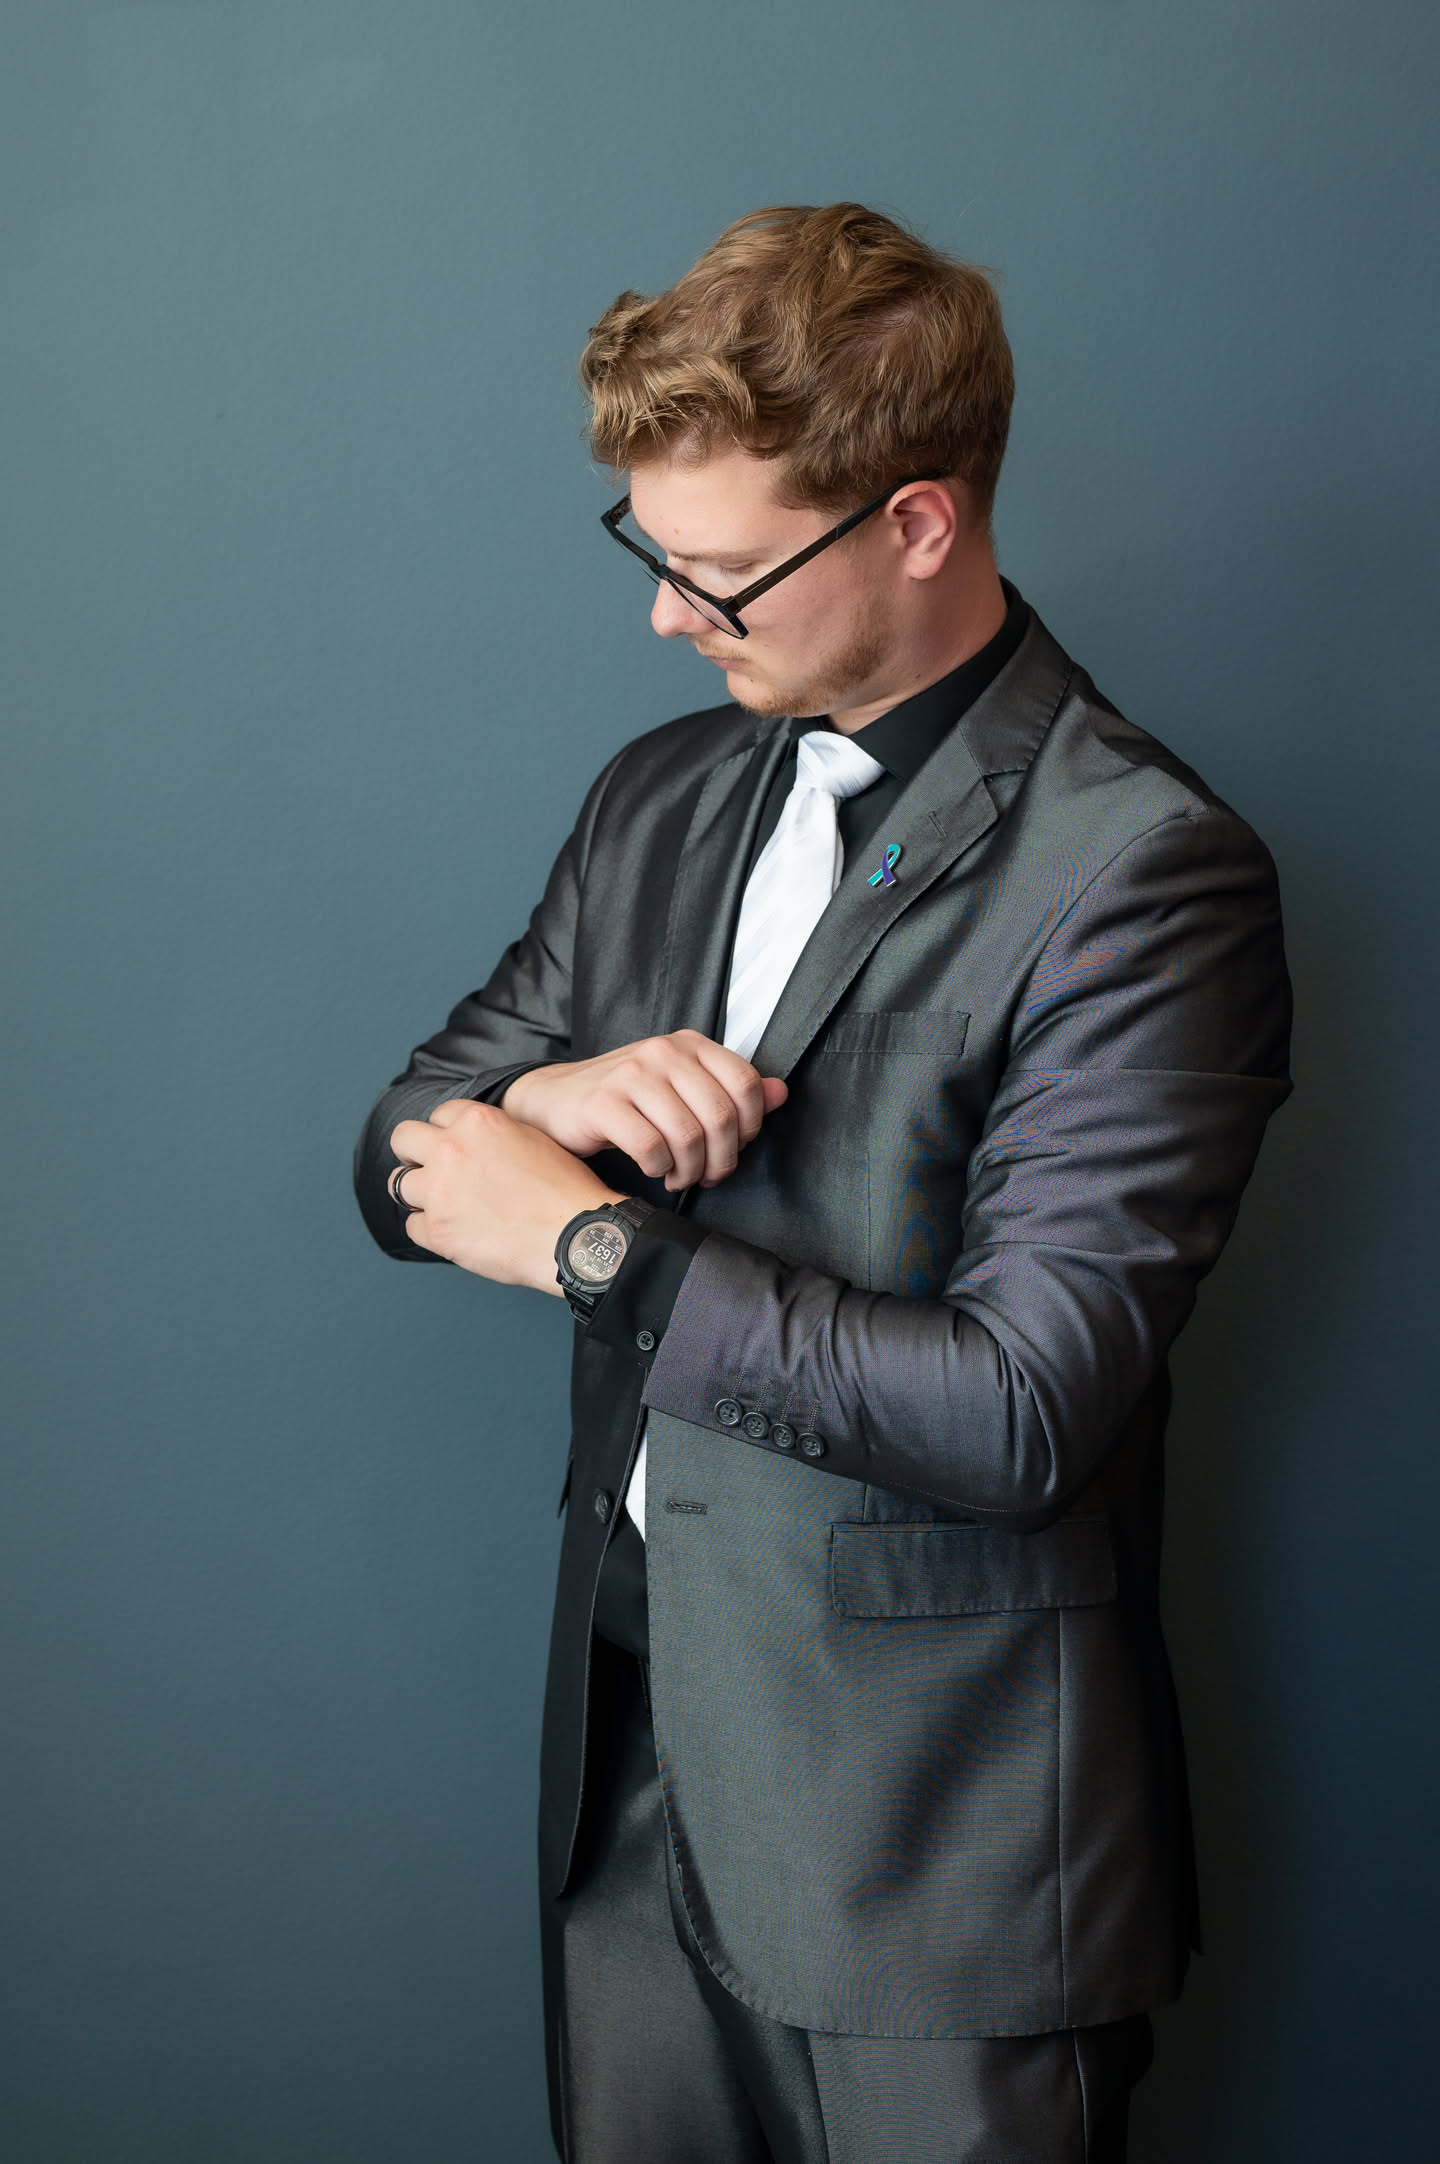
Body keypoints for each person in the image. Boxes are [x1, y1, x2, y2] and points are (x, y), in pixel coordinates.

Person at [354, 202, 1292, 2164]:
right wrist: (556, 1091)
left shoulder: (1145, 870)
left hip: (940, 1851)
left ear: (918, 523)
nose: (666, 619)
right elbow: (412, 1148)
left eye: (717, 575)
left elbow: (1022, 1407)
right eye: (648, 555)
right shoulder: (656, 793)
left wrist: (595, 1243)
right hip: (627, 1781)